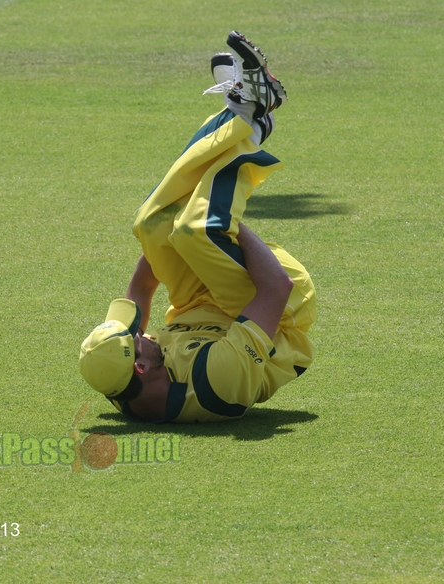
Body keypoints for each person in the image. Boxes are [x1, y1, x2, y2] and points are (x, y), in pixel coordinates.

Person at [78, 31, 316, 423]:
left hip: (198, 298)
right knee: (199, 229)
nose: (139, 333)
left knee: (150, 223)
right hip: (277, 304)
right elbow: (277, 289)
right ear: (140, 367)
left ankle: (244, 110)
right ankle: (248, 118)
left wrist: (162, 233)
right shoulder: (215, 385)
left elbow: (139, 289)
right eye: (134, 340)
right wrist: (227, 227)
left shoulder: (119, 377)